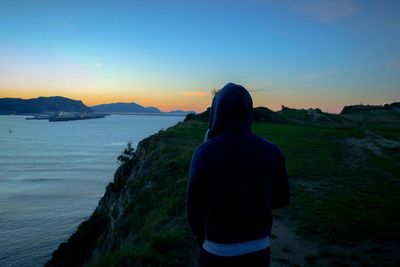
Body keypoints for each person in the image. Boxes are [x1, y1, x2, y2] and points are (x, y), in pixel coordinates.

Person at [186, 83, 290, 267]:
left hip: (216, 248)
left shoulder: (204, 153)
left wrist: (202, 238)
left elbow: (194, 209)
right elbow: (282, 198)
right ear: (248, 111)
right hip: (259, 247)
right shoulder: (273, 151)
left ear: (217, 111)